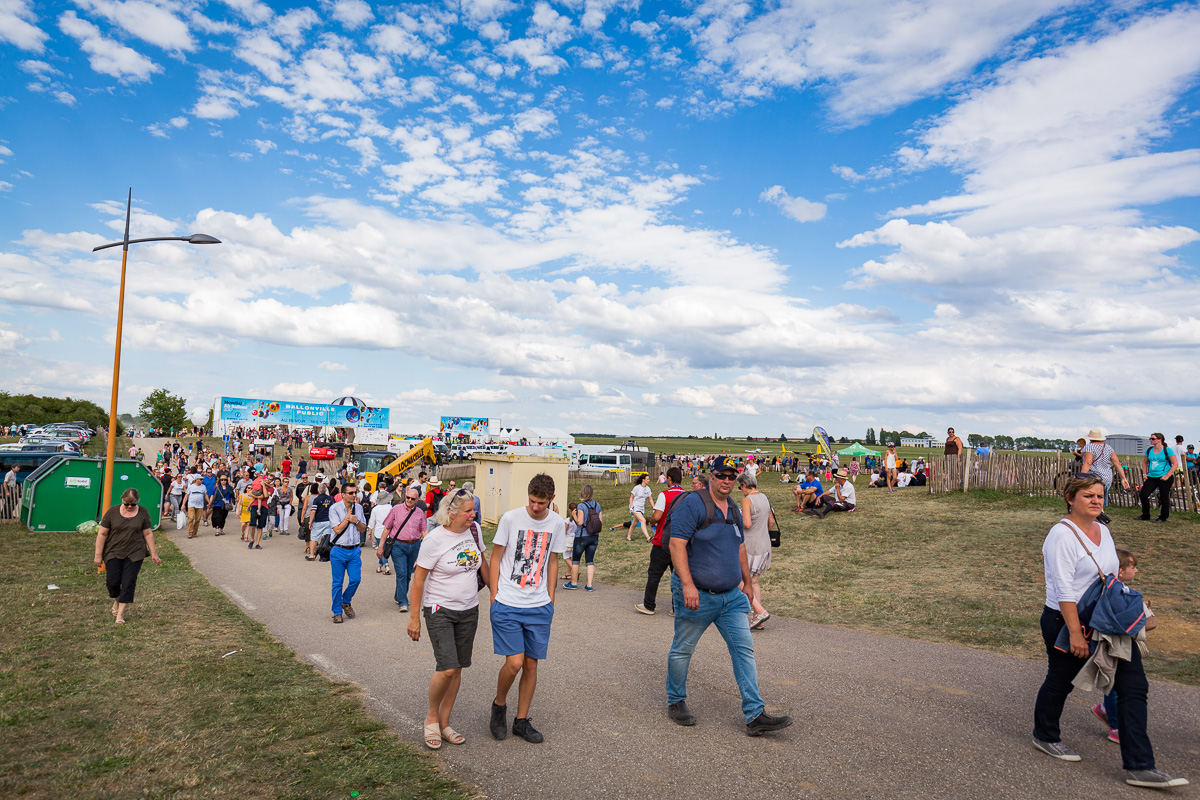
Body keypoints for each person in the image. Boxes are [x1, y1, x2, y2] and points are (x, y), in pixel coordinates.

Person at [1031, 475, 1187, 788]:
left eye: (1100, 495)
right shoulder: (1061, 536)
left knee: (1133, 686)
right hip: (1067, 621)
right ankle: (1045, 735)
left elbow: (1111, 577)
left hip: (1106, 620)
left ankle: (1141, 766)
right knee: (1061, 680)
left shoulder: (1103, 528)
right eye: (1088, 495)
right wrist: (1076, 634)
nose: (1096, 501)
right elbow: (1062, 588)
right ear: (1069, 498)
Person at [665, 456, 793, 736]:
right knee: (683, 650)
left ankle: (755, 714)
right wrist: (687, 585)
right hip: (697, 594)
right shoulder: (693, 504)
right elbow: (677, 545)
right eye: (721, 475)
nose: (726, 480)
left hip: (731, 597)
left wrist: (747, 584)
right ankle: (676, 701)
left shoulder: (734, 508)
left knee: (743, 650)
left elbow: (740, 549)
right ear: (710, 476)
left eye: (731, 476)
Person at [407, 489, 490, 750]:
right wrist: (414, 618)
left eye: (473, 509)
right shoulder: (434, 539)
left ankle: (445, 723)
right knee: (447, 667)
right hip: (439, 609)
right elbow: (418, 579)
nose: (472, 514)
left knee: (459, 668)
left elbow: (483, 564)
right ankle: (431, 718)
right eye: (467, 510)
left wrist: (496, 596)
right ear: (451, 513)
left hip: (469, 610)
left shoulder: (474, 530)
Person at [488, 473, 565, 744]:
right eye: (532, 501)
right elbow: (495, 557)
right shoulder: (510, 518)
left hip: (539, 604)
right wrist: (494, 595)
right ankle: (499, 706)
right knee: (515, 663)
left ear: (551, 500)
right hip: (508, 602)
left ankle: (521, 721)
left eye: (541, 503)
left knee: (531, 665)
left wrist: (551, 598)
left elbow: (553, 561)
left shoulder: (557, 523)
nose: (535, 507)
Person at [1091, 548, 1157, 745]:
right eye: (1133, 567)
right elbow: (1151, 623)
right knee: (1116, 684)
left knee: (1112, 679)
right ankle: (1116, 726)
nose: (1136, 571)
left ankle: (1106, 711)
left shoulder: (1104, 588)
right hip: (1119, 645)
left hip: (1105, 642)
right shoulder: (1125, 594)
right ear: (1120, 571)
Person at [94, 488, 161, 624]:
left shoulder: (143, 512)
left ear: (138, 501)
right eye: (127, 504)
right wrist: (98, 555)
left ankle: (120, 614)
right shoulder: (112, 512)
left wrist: (154, 553)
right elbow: (102, 534)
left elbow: (147, 533)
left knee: (129, 581)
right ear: (122, 500)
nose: (130, 506)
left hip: (135, 552)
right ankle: (117, 600)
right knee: (112, 582)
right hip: (113, 551)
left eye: (133, 504)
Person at [635, 466, 685, 616]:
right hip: (680, 541)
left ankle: (649, 605)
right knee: (678, 576)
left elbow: (657, 516)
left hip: (663, 540)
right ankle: (677, 608)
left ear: (669, 479)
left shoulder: (665, 495)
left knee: (654, 574)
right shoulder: (686, 495)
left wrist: (652, 522)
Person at [380, 486, 428, 611]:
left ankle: (398, 595)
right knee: (401, 573)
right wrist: (381, 547)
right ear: (405, 496)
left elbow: (424, 530)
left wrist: (430, 545)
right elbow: (387, 529)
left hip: (414, 545)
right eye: (408, 497)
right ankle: (403, 602)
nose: (409, 500)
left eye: (413, 498)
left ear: (417, 500)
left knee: (407, 575)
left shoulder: (420, 513)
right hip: (398, 546)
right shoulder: (396, 510)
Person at [737, 471, 775, 630]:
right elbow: (771, 522)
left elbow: (746, 524)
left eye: (740, 487)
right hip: (764, 543)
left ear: (744, 485)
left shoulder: (747, 500)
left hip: (750, 544)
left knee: (739, 580)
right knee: (755, 582)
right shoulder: (764, 497)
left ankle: (759, 610)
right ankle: (756, 618)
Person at [328, 481, 367, 623]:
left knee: (356, 579)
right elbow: (337, 529)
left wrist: (356, 521)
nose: (354, 495)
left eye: (355, 492)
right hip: (339, 549)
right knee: (337, 583)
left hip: (354, 550)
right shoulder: (334, 509)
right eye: (351, 493)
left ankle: (345, 600)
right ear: (343, 494)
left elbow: (363, 528)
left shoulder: (359, 508)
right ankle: (337, 612)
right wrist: (348, 518)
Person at [565, 484, 601, 591]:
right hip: (594, 536)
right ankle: (589, 585)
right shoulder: (597, 505)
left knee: (576, 560)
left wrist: (575, 515)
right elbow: (600, 521)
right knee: (590, 561)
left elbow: (580, 522)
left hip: (581, 536)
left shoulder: (581, 506)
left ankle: (574, 583)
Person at [1138, 433, 1180, 523]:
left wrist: (1167, 475)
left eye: (1153, 439)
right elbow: (1145, 462)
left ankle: (1163, 517)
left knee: (1163, 496)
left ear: (1160, 440)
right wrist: (1144, 473)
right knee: (1143, 494)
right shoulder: (1149, 450)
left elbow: (1175, 463)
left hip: (1164, 477)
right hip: (1152, 476)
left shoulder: (1167, 450)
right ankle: (1145, 515)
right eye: (1150, 438)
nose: (1151, 440)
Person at [1080, 429, 1130, 503]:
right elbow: (1117, 463)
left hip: (1094, 477)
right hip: (1107, 477)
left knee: (1092, 500)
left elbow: (1088, 463)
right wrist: (1123, 478)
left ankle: (1097, 513)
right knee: (1101, 499)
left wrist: (1081, 477)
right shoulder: (1108, 447)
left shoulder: (1089, 447)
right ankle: (1100, 513)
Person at [306, 481, 334, 562]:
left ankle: (312, 555)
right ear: (326, 490)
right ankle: (324, 556)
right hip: (329, 521)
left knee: (314, 538)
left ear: (318, 490)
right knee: (325, 539)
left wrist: (310, 522)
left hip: (318, 521)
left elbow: (313, 511)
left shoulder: (316, 499)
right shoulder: (331, 498)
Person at [627, 473, 653, 542]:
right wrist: (631, 507)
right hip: (635, 507)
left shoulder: (648, 489)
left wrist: (654, 508)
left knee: (634, 523)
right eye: (647, 479)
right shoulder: (637, 488)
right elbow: (631, 497)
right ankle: (648, 537)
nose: (649, 480)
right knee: (643, 520)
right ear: (643, 480)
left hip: (641, 508)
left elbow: (650, 499)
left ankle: (628, 537)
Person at [184, 473, 207, 539]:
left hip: (200, 505)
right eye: (200, 479)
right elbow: (186, 496)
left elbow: (205, 495)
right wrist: (183, 504)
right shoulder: (191, 486)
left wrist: (209, 502)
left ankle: (195, 532)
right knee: (191, 518)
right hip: (191, 504)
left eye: (202, 479)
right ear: (197, 480)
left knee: (197, 519)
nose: (202, 481)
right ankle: (190, 532)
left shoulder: (203, 487)